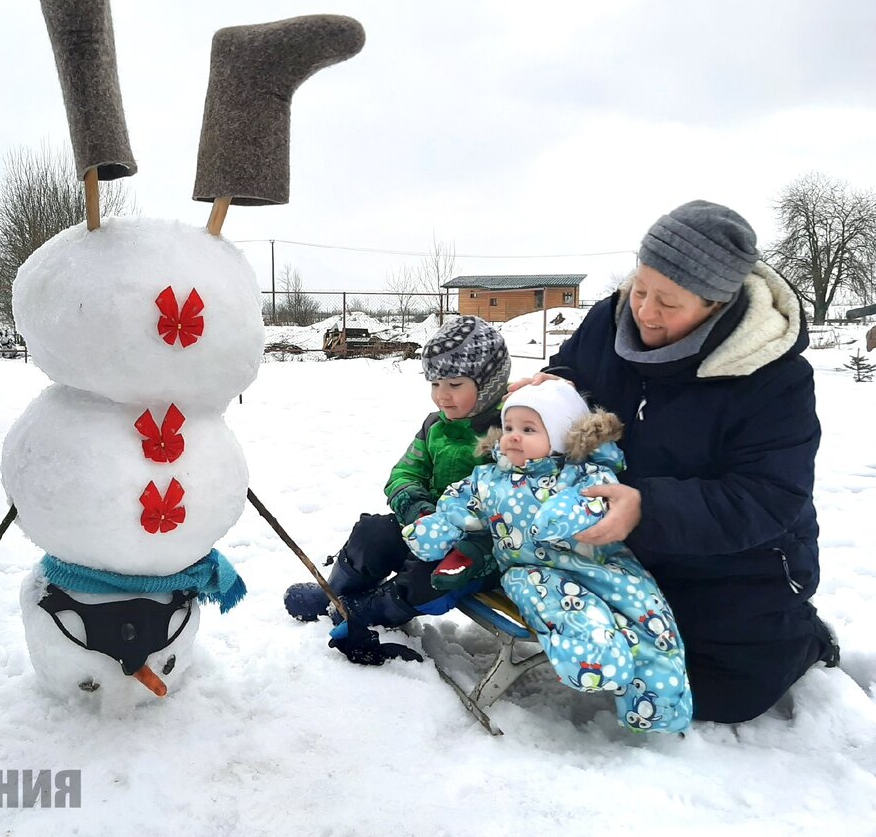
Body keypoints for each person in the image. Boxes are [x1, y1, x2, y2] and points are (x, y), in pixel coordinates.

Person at [515, 199, 838, 724]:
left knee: (717, 695)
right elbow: (574, 369)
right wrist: (554, 389)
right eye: (641, 288)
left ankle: (803, 638)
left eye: (669, 302)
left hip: (738, 559)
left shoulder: (776, 377)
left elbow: (768, 496)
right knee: (620, 655)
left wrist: (649, 509)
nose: (644, 311)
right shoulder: (609, 318)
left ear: (716, 304)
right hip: (622, 540)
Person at [405, 379, 693, 733]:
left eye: (528, 429)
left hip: (601, 564)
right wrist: (430, 533)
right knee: (568, 606)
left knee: (647, 615)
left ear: (560, 437)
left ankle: (657, 708)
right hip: (534, 570)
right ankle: (594, 661)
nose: (512, 436)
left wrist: (563, 513)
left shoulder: (584, 473)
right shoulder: (489, 478)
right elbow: (456, 506)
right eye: (509, 427)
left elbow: (594, 500)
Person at [282, 316, 510, 664]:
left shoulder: (513, 431)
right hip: (425, 524)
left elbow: (512, 498)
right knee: (371, 534)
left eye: (454, 384)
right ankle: (337, 595)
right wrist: (416, 509)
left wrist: (455, 527)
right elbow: (406, 471)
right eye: (435, 383)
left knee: (429, 580)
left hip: (478, 550)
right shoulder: (436, 425)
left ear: (489, 383)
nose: (441, 396)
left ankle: (365, 611)